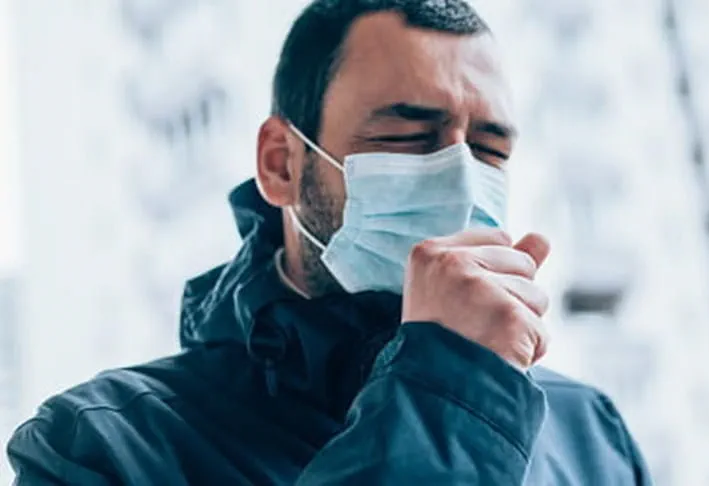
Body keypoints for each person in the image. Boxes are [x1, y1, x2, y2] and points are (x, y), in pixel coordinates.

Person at [6, 1, 652, 484]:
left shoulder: (587, 432)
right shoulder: (103, 445)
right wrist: (446, 385)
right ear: (281, 164)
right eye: (405, 139)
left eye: (488, 150)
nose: (459, 184)